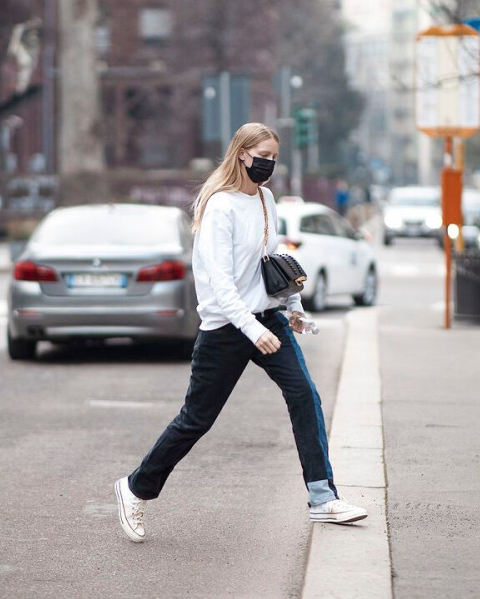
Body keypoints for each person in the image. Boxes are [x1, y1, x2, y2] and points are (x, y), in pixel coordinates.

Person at [114, 123, 368, 543]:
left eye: (274, 157)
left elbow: (273, 262)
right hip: (227, 327)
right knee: (196, 420)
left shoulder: (265, 199)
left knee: (304, 395)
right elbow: (221, 282)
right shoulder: (220, 207)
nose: (269, 164)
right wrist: (250, 328)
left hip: (267, 319)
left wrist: (294, 307)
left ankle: (323, 497)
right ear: (241, 155)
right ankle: (135, 488)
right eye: (263, 155)